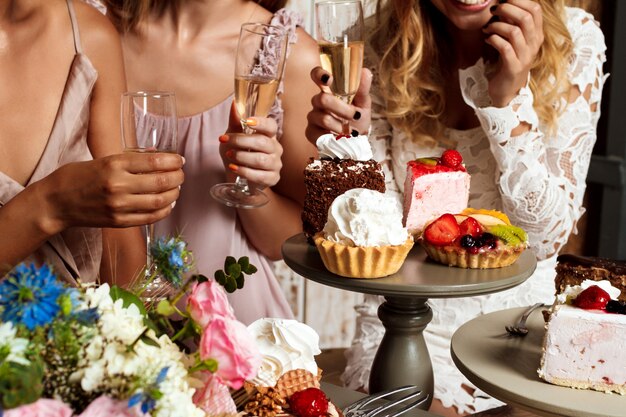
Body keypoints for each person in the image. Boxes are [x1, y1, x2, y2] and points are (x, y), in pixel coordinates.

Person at [306, 0, 607, 415]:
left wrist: (508, 99)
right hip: (405, 315)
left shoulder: (573, 41)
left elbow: (544, 237)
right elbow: (380, 227)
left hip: (515, 323)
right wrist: (351, 146)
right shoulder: (379, 42)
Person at [103, 0, 320, 324]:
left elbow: (283, 244)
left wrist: (248, 183)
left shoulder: (292, 54)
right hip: (103, 331)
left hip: (229, 338)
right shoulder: (96, 27)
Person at [0, 0, 184, 284]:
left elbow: (123, 259)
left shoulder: (91, 37)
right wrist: (50, 203)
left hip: (83, 325)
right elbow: (53, 202)